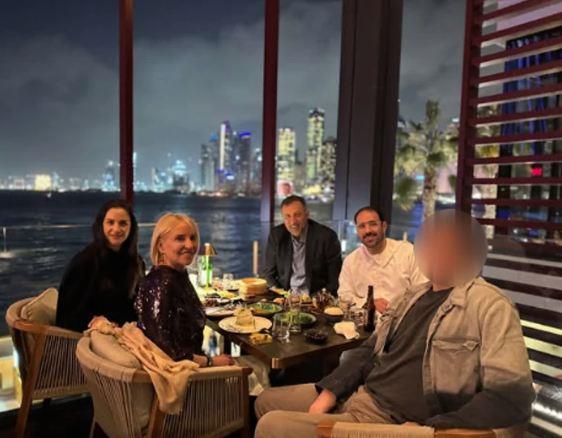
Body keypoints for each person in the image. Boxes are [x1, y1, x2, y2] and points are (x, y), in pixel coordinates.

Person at [254, 210, 535, 437]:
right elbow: (368, 350)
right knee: (264, 400)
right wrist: (329, 393)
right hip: (358, 394)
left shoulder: (489, 306)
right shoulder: (411, 296)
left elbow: (512, 396)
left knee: (271, 425)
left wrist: (434, 428)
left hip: (391, 421)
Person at [135, 213, 232, 367]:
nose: (190, 245)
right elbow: (165, 350)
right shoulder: (162, 283)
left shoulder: (177, 274)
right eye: (180, 238)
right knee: (257, 369)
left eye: (192, 238)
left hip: (192, 364)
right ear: (161, 246)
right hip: (185, 373)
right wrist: (211, 362)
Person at [56, 199, 145, 332]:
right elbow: (67, 315)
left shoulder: (136, 262)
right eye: (110, 222)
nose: (116, 229)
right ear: (101, 225)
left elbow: (135, 308)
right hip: (87, 337)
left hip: (125, 333)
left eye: (123, 223)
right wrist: (99, 324)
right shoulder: (84, 262)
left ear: (131, 227)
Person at [338, 206, 429, 313]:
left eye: (373, 224)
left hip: (403, 318)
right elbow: (344, 295)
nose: (368, 230)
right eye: (362, 226)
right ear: (357, 230)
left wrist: (396, 307)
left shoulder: (408, 253)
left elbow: (423, 290)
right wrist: (368, 303)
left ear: (384, 226)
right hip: (364, 320)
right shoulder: (351, 261)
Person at [263, 195, 342, 295]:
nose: (293, 222)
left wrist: (315, 299)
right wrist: (281, 296)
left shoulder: (327, 237)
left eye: (297, 215)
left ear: (307, 215)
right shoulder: (276, 235)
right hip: (285, 297)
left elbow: (335, 280)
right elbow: (269, 274)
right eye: (288, 216)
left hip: (316, 298)